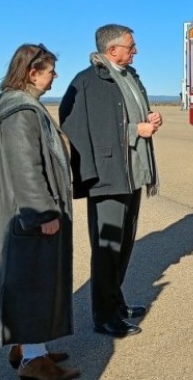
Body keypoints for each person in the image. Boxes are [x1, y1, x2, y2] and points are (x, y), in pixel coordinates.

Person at [0, 44, 79, 380]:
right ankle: (34, 362)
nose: (54, 77)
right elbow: (26, 168)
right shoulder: (20, 111)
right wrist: (43, 214)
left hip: (27, 214)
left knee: (34, 285)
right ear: (32, 73)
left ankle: (31, 348)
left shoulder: (27, 107)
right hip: (28, 216)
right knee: (31, 286)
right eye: (50, 71)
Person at [59, 24, 162, 338]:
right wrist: (133, 132)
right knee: (107, 249)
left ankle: (116, 303)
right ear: (111, 49)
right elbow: (73, 125)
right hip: (107, 176)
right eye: (131, 46)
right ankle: (104, 316)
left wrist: (149, 119)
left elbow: (128, 116)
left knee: (123, 244)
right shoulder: (87, 82)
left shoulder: (129, 76)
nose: (136, 51)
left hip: (131, 173)